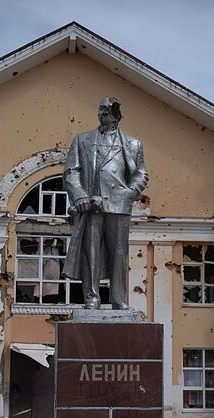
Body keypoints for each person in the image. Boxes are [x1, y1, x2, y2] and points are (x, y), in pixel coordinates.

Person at [61, 97, 148, 309]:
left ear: (117, 116)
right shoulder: (82, 140)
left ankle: (119, 300)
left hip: (119, 205)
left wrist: (129, 193)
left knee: (119, 254)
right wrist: (80, 196)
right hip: (92, 205)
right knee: (91, 253)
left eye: (107, 112)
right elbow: (71, 171)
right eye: (100, 110)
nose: (102, 115)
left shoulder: (133, 144)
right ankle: (92, 299)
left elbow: (141, 174)